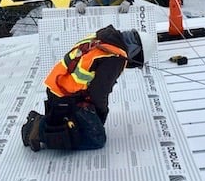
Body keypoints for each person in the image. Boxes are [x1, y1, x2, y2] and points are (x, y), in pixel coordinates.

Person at [21, 25, 157, 152]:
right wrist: (101, 112)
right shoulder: (116, 57)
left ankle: (53, 120)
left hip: (57, 89)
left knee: (87, 123)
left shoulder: (103, 37)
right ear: (137, 52)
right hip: (66, 97)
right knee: (96, 139)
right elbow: (99, 92)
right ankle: (38, 129)